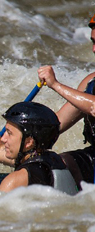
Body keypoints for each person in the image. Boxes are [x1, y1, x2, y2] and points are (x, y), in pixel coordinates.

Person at [0, 85, 78, 194]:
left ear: (29, 142)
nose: (3, 139)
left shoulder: (14, 182)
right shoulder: (55, 161)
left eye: (9, 133)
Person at [37, 13, 95, 190]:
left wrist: (55, 85)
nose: (94, 50)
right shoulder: (91, 82)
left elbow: (94, 106)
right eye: (93, 42)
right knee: (59, 163)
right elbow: (57, 123)